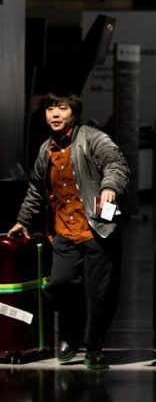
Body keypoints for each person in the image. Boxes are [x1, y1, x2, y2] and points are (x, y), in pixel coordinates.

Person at [9, 90, 130, 370]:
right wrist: (24, 219)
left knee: (99, 291)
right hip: (64, 230)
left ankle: (95, 346)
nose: (55, 114)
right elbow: (36, 189)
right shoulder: (46, 149)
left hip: (97, 228)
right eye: (50, 109)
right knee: (60, 284)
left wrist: (109, 187)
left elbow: (116, 164)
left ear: (74, 113)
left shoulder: (92, 137)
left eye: (61, 108)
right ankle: (71, 336)